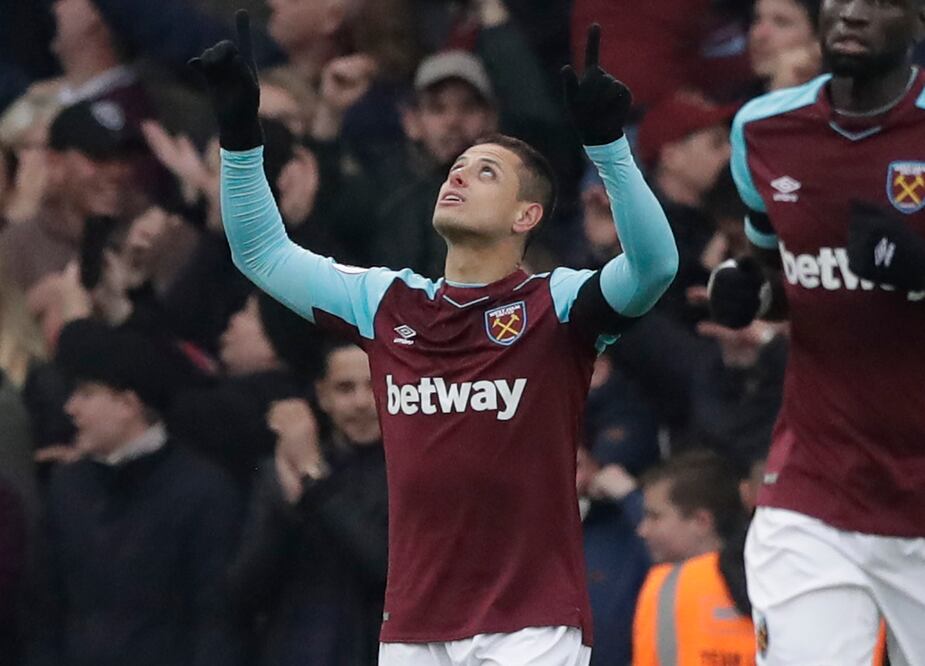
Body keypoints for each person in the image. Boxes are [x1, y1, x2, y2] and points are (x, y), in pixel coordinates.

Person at [191, 14, 677, 665]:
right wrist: (240, 134)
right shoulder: (387, 302)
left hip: (528, 625)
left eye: (485, 173)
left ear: (525, 215)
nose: (457, 174)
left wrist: (608, 149)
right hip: (414, 629)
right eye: (458, 166)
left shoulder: (554, 305)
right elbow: (259, 253)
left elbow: (654, 268)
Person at [709, 0, 925, 663]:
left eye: (879, 0)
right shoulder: (763, 128)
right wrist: (753, 292)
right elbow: (786, 277)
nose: (852, 12)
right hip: (814, 486)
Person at [29, 319, 243, 666]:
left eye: (86, 393)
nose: (71, 408)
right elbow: (42, 610)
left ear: (129, 404)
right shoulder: (67, 487)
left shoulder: (203, 493)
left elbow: (216, 621)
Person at [229, 340, 387, 666]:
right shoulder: (284, 471)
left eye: (374, 386)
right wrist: (287, 510)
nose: (361, 402)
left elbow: (385, 567)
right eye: (345, 389)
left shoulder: (416, 472)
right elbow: (244, 592)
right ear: (322, 395)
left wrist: (316, 484)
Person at [633, 451, 755, 666]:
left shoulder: (662, 586)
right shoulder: (776, 573)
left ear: (702, 521)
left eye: (655, 516)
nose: (643, 530)